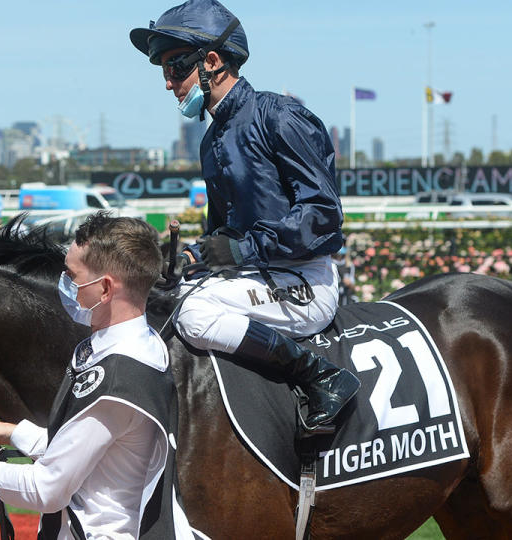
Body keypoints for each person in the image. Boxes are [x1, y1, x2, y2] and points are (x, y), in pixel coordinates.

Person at [130, 0, 359, 434]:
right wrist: (193, 254)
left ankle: (320, 376)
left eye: (176, 68)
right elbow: (224, 235)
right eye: (163, 72)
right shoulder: (211, 137)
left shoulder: (281, 115)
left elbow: (323, 216)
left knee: (194, 313)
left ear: (212, 62)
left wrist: (239, 248)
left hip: (304, 280)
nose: (168, 83)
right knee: (155, 297)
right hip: (255, 278)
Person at [0, 213, 195, 539]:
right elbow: (86, 448)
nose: (65, 283)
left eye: (72, 274)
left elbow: (49, 489)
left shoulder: (116, 379)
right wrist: (11, 432)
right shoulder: (140, 344)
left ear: (105, 288)